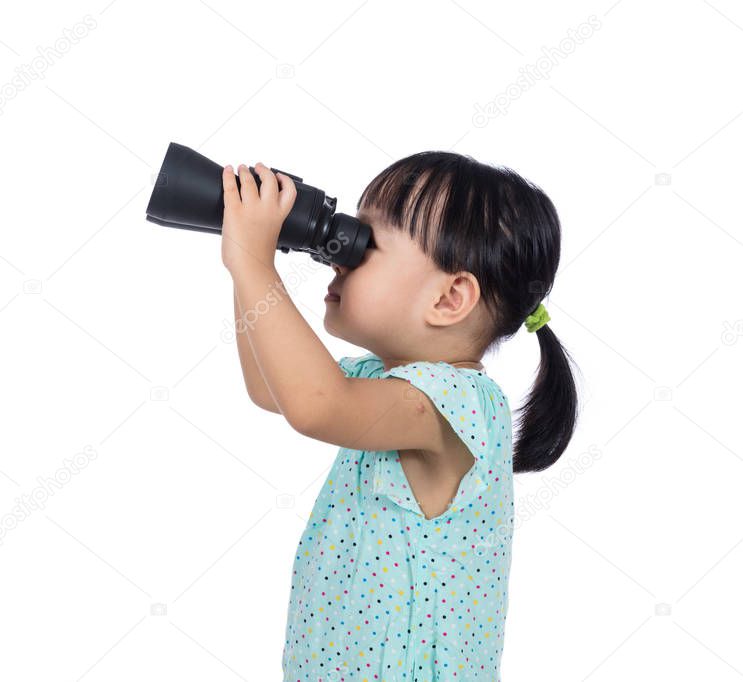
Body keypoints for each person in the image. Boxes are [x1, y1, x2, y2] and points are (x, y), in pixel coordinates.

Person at [222, 152, 579, 680]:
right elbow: (269, 386)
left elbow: (314, 405)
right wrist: (248, 262)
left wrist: (253, 262)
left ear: (450, 297)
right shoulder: (375, 382)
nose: (338, 256)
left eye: (367, 243)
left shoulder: (456, 402)